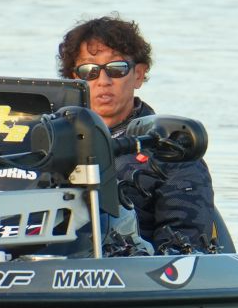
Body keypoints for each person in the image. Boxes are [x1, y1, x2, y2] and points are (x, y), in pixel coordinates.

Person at [56, 15, 221, 253]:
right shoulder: (45, 145)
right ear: (75, 78)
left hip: (129, 267)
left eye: (116, 69)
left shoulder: (172, 151)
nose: (103, 81)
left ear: (139, 74)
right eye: (89, 70)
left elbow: (185, 251)